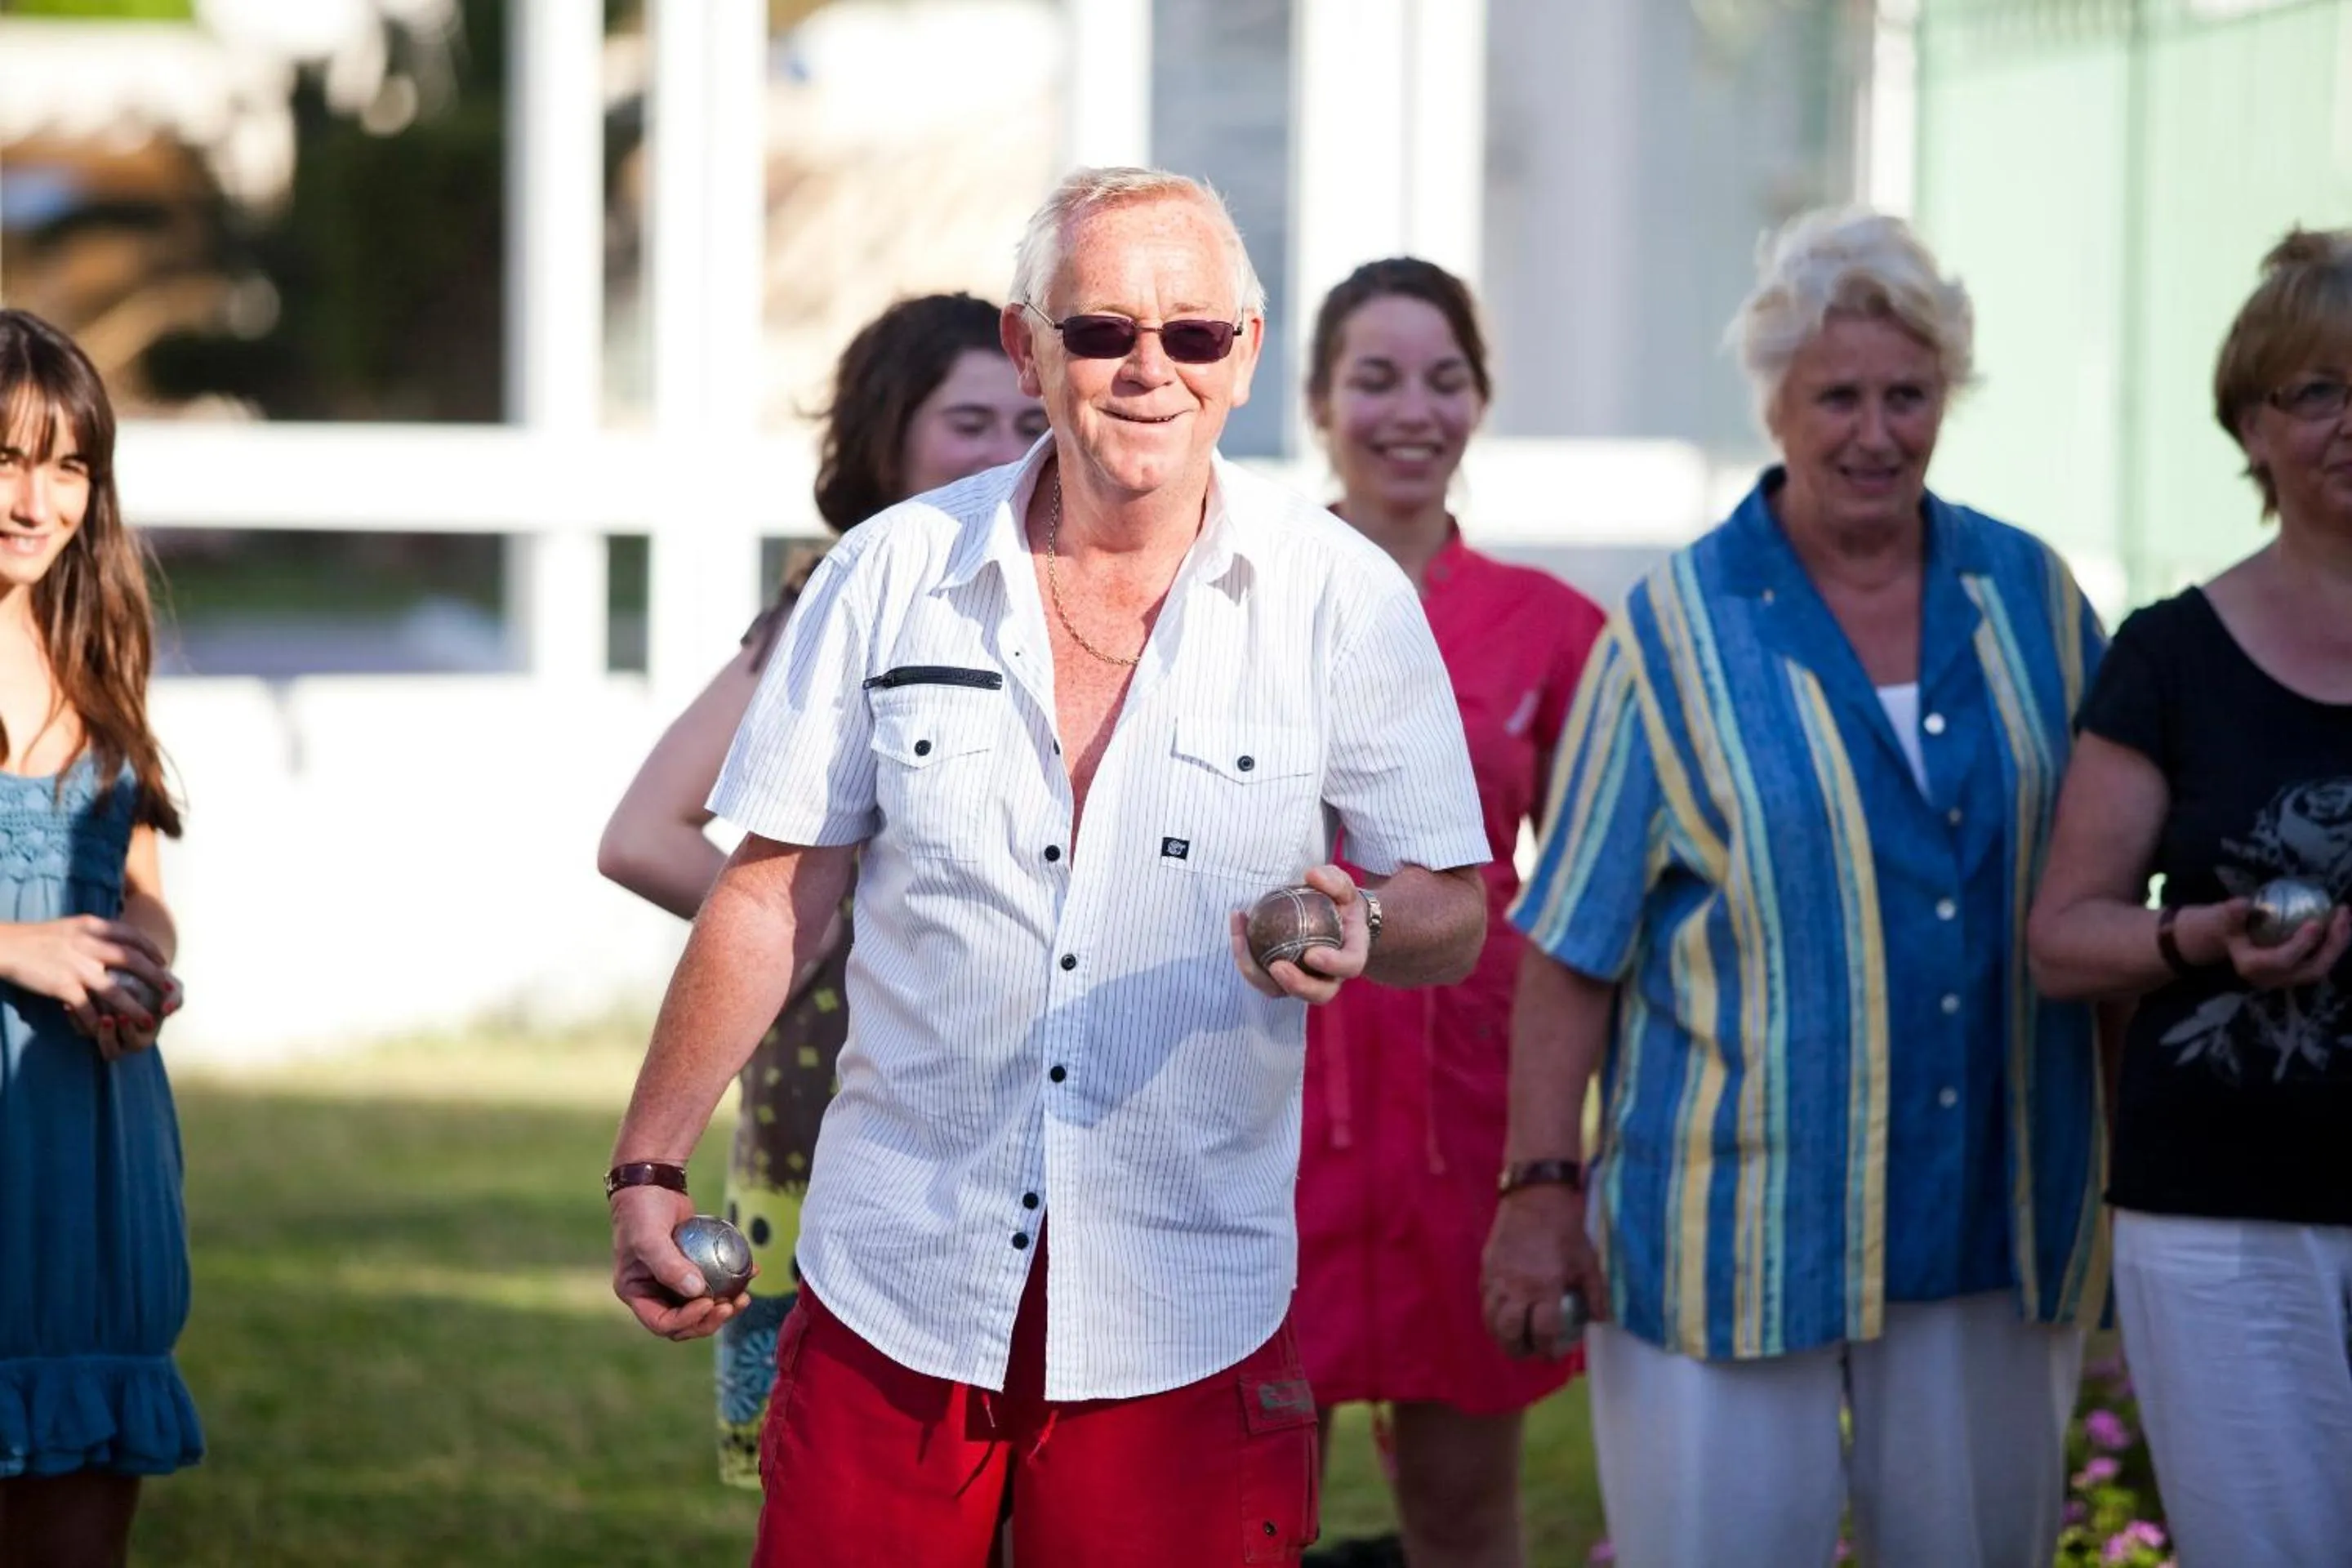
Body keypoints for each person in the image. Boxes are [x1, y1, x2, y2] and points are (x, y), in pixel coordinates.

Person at [604, 165, 1490, 1566]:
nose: (1150, 369)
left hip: (1183, 1305)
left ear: (1245, 354)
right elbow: (772, 890)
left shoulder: (1341, 597)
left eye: (1192, 333)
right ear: (1028, 347)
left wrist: (1363, 919)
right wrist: (650, 1161)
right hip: (897, 1283)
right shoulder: (888, 573)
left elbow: (1456, 906)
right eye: (1102, 331)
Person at [1481, 208, 2109, 1568]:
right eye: (1838, 398)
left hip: (1992, 1207)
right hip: (1729, 1231)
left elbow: (2110, 879)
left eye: (1908, 396)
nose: (1875, 433)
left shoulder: (2034, 601)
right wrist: (1539, 1191)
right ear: (1776, 404)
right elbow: (1572, 947)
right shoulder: (1673, 632)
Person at [596, 291, 1046, 1489]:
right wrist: (826, 926)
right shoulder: (835, 599)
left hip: (1006, 1123)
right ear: (885, 441)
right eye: (967, 422)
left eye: (1028, 423)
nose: (1005, 453)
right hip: (844, 1113)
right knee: (854, 1484)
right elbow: (641, 835)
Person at [2025, 228, 2352, 1567]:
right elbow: (2062, 939)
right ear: (2250, 425)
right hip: (2224, 1219)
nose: (2349, 422)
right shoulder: (2172, 653)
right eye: (2316, 391)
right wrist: (2198, 935)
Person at [1294, 258, 1602, 1568]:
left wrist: (1557, 1164)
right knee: (1238, 1513)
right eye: (1375, 379)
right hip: (1264, 1089)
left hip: (1471, 1103)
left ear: (1480, 398)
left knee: (1467, 1516)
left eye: (1445, 379)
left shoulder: (1553, 628)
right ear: (1319, 400)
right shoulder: (1242, 591)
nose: (1412, 412)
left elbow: (1595, 899)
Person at [0, 309, 196, 1568]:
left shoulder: (97, 640)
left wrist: (142, 963)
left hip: (91, 1129)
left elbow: (142, 885)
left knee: (79, 1521)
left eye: (68, 465)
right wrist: (14, 947)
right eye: (5, 461)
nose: (38, 502)